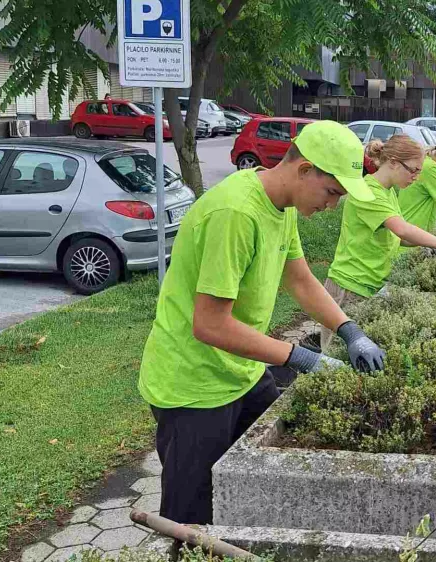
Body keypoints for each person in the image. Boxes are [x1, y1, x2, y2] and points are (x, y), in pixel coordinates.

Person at [137, 120, 387, 525]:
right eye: (332, 192)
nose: (332, 205)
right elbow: (210, 326)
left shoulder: (280, 204)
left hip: (243, 371)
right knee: (191, 517)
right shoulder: (235, 213)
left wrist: (349, 330)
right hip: (193, 384)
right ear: (304, 169)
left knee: (270, 466)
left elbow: (300, 279)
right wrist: (302, 358)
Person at [320, 135, 436, 351]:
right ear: (392, 162)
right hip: (349, 286)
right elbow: (402, 228)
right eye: (413, 170)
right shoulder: (368, 192)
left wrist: (427, 246)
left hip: (368, 285)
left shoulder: (387, 192)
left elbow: (398, 238)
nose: (416, 177)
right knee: (336, 358)